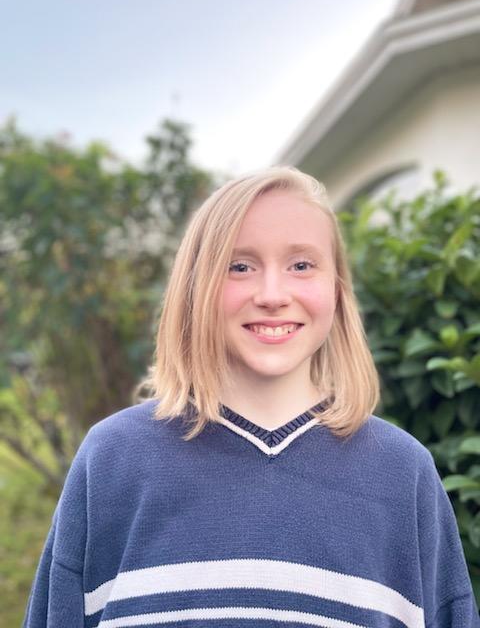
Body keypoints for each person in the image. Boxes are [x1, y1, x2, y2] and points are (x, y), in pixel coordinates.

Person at [23, 166, 479, 627]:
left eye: (301, 265)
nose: (273, 295)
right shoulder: (112, 460)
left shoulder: (403, 475)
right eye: (239, 266)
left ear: (337, 289)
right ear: (195, 286)